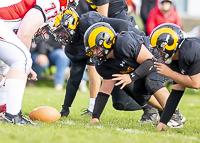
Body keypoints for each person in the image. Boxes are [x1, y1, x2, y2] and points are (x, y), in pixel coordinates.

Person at [54, 8, 159, 123]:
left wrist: (122, 49)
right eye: (59, 32)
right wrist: (66, 108)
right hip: (111, 56)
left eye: (62, 31)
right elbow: (74, 78)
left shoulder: (88, 21)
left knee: (147, 79)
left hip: (133, 47)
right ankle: (151, 107)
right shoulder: (72, 47)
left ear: (72, 24)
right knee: (120, 103)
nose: (61, 35)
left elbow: (122, 24)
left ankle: (165, 112)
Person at [84, 22, 185, 126]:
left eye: (96, 48)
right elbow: (104, 91)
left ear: (107, 42)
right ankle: (174, 113)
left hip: (158, 58)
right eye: (92, 50)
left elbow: (150, 61)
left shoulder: (124, 43)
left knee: (152, 81)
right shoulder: (103, 64)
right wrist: (95, 117)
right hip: (144, 67)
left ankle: (174, 117)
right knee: (139, 93)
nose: (94, 53)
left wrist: (131, 76)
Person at [0, 0, 69, 126]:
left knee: (5, 66)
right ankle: (13, 116)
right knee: (21, 59)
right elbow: (24, 33)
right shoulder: (53, 2)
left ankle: (3, 109)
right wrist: (26, 65)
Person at [149, 23, 200, 131]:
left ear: (170, 44)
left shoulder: (189, 51)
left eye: (160, 48)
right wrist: (163, 121)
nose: (159, 52)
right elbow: (176, 92)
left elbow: (196, 84)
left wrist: (170, 73)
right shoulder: (176, 59)